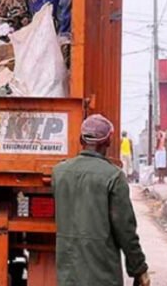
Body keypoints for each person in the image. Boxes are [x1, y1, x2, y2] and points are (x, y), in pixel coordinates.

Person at [53, 114, 150, 286]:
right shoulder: (113, 176)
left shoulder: (59, 173)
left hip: (68, 277)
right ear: (108, 142)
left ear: (81, 139)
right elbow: (125, 231)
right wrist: (138, 269)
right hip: (102, 277)